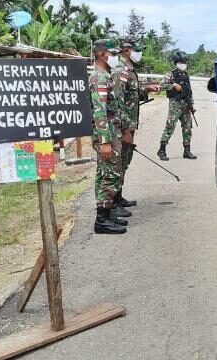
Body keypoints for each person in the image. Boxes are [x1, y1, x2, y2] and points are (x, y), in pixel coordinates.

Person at [113, 35, 160, 208]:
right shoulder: (120, 71)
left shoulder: (130, 70)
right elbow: (116, 103)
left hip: (129, 125)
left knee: (124, 162)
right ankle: (113, 202)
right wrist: (125, 130)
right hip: (122, 127)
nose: (139, 53)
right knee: (118, 164)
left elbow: (130, 97)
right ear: (126, 51)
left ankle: (118, 197)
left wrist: (145, 89)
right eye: (136, 50)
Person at [90, 38, 129, 235]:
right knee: (110, 175)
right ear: (103, 55)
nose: (116, 57)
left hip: (111, 133)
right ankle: (102, 220)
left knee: (104, 174)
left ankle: (106, 213)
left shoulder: (104, 75)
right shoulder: (100, 78)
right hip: (106, 135)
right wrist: (105, 141)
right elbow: (99, 111)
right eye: (113, 54)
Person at [158, 51, 197, 161]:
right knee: (170, 127)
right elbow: (161, 86)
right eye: (181, 62)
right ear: (176, 62)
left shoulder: (186, 75)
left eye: (184, 62)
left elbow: (189, 91)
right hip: (175, 105)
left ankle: (187, 150)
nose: (183, 64)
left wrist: (192, 105)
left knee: (188, 128)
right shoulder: (170, 74)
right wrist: (173, 85)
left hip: (186, 105)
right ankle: (162, 150)